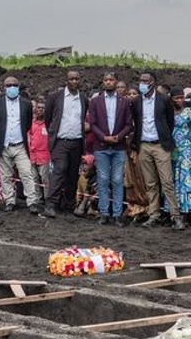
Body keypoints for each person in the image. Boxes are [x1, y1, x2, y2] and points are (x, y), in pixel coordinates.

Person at [130, 72, 183, 230]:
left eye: (145, 81)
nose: (142, 84)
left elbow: (169, 122)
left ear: (153, 82)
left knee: (167, 182)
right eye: (140, 80)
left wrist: (163, 137)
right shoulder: (136, 101)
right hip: (144, 145)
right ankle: (154, 214)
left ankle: (175, 216)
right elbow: (136, 122)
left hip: (160, 145)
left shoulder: (164, 100)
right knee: (150, 183)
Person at [86, 73, 133, 226]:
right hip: (101, 146)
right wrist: (104, 137)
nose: (108, 82)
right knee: (103, 180)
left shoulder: (124, 102)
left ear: (116, 82)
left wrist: (119, 136)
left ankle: (118, 214)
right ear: (103, 82)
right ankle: (104, 213)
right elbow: (92, 124)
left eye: (111, 80)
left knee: (118, 180)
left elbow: (128, 124)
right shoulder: (95, 101)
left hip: (118, 146)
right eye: (106, 79)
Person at [0, 76, 41, 214]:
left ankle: (32, 202)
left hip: (20, 146)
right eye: (9, 85)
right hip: (4, 146)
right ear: (4, 88)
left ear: (18, 87)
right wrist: (1, 138)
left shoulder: (26, 104)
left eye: (14, 85)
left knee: (26, 173)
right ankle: (10, 201)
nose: (12, 87)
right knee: (5, 176)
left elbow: (28, 124)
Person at [44, 71, 90, 219]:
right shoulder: (55, 97)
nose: (74, 81)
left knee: (72, 173)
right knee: (59, 170)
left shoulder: (83, 99)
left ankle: (69, 203)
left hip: (76, 141)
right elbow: (48, 118)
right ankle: (51, 204)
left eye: (77, 78)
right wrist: (53, 134)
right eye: (71, 79)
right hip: (60, 142)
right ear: (66, 80)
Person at [171, 89, 191, 221]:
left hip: (186, 148)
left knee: (186, 177)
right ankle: (173, 209)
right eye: (177, 98)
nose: (180, 100)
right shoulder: (168, 112)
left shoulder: (188, 111)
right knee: (173, 178)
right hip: (172, 148)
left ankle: (186, 210)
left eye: (182, 97)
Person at [28, 100, 51, 210]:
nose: (40, 110)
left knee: (45, 179)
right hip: (33, 155)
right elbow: (29, 137)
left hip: (44, 155)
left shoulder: (48, 124)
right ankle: (38, 198)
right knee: (34, 178)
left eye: (43, 108)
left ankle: (47, 199)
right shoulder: (31, 123)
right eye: (38, 107)